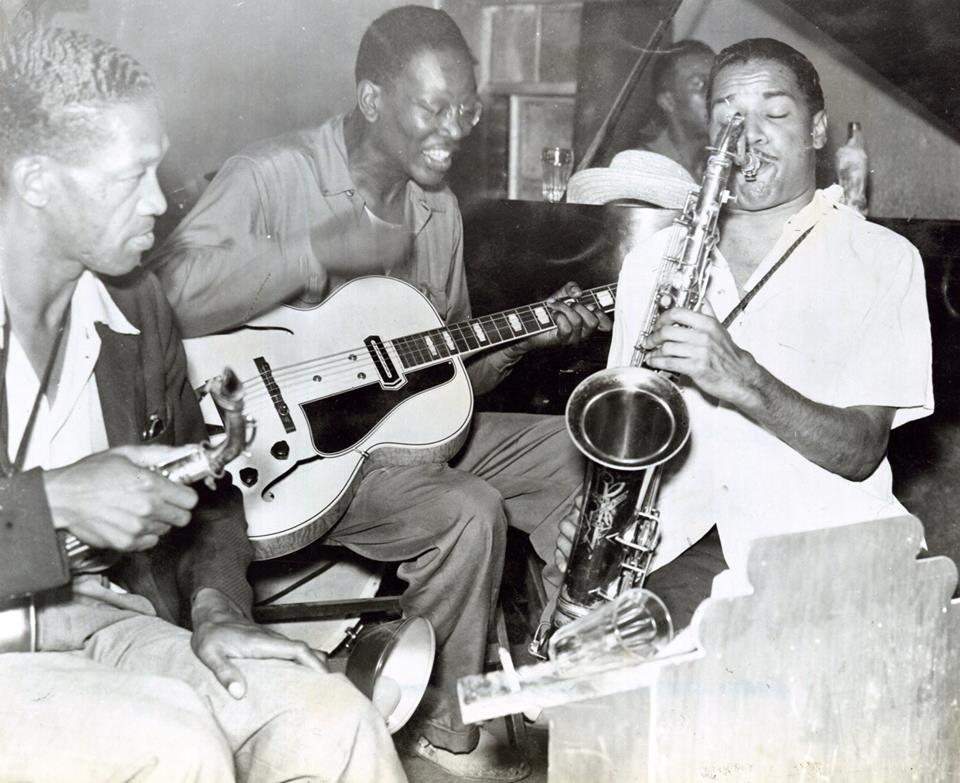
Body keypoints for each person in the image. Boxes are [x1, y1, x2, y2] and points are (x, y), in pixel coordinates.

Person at [150, 5, 609, 779]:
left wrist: (526, 341)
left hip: (401, 446)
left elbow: (446, 384)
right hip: (285, 462)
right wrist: (313, 251)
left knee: (573, 453)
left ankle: (546, 672)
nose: (456, 129)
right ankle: (441, 726)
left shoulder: (439, 212)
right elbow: (168, 295)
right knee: (466, 508)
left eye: (467, 108)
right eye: (434, 107)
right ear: (371, 100)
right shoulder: (272, 175)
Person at [0, 27, 406, 783]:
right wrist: (51, 503)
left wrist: (218, 606)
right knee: (176, 744)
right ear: (36, 181)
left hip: (101, 622)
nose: (159, 200)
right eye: (132, 176)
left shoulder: (137, 301)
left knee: (336, 718)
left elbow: (210, 501)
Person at [558, 37, 932, 630]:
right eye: (729, 115)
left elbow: (862, 451)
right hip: (667, 554)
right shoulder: (654, 262)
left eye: (774, 115)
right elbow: (625, 430)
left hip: (821, 560)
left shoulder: (885, 260)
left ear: (816, 131)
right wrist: (595, 515)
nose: (746, 137)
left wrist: (743, 377)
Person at [633, 39, 716, 179]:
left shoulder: (729, 163)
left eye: (719, 82)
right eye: (700, 85)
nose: (716, 94)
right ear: (668, 101)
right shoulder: (641, 167)